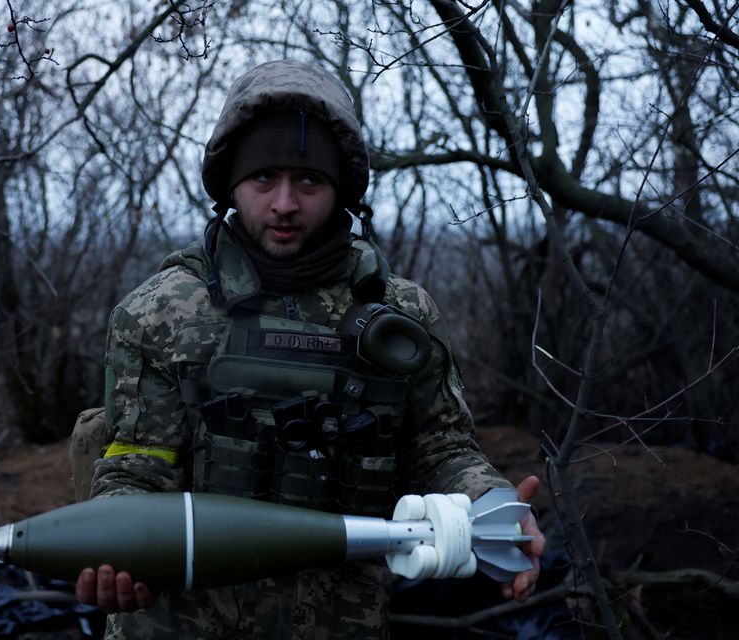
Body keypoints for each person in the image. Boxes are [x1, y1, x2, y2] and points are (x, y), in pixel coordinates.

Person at [72, 59, 545, 639]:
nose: (285, 204)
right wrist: (116, 549)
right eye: (264, 179)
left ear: (341, 189)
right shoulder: (160, 312)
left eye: (309, 181)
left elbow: (441, 447)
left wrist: (492, 503)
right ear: (231, 185)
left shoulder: (401, 315)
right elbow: (137, 464)